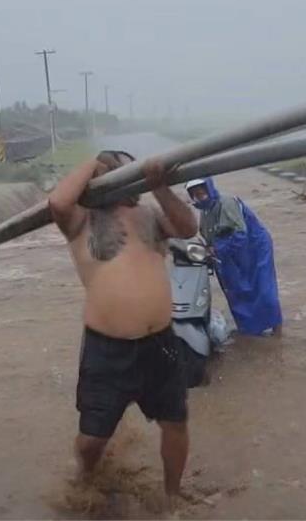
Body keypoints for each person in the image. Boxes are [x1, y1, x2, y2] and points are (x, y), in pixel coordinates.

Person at [48, 150, 198, 508]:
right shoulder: (82, 221)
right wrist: (94, 164)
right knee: (91, 438)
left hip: (159, 344)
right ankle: (85, 479)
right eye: (120, 172)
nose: (129, 180)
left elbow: (189, 227)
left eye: (132, 172)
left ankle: (173, 496)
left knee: (175, 423)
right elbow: (57, 201)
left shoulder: (150, 215)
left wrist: (159, 186)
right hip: (107, 351)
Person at [185, 177, 283, 337]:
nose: (198, 197)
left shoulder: (227, 203)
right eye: (194, 194)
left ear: (209, 189)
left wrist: (216, 249)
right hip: (229, 251)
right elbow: (208, 237)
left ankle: (276, 331)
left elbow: (240, 233)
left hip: (254, 247)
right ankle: (249, 331)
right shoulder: (206, 211)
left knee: (264, 289)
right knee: (235, 290)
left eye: (201, 193)